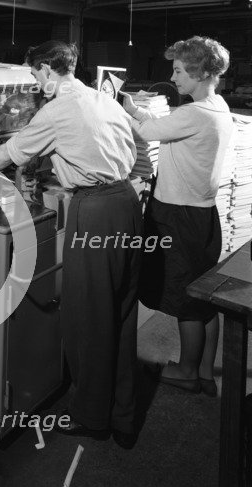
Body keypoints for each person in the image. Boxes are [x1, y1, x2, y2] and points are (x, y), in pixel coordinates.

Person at [0, 41, 142, 448]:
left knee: (86, 318)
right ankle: (122, 415)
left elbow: (7, 154)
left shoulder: (59, 108)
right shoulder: (102, 99)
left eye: (34, 74)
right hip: (125, 204)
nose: (34, 82)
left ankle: (89, 416)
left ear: (48, 69)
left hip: (95, 210)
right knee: (120, 311)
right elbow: (117, 149)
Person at [122, 36, 233, 396]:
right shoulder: (216, 107)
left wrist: (123, 110)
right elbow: (163, 124)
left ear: (200, 74)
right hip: (202, 214)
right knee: (202, 297)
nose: (174, 77)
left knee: (185, 298)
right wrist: (138, 110)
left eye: (180, 71)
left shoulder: (193, 113)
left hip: (178, 215)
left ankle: (185, 371)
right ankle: (203, 371)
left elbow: (149, 132)